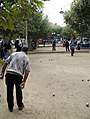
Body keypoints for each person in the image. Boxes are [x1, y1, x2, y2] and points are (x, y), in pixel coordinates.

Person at [1, 46, 30, 112]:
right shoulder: (26, 57)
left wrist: (2, 73)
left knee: (9, 91)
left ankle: (10, 107)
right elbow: (27, 71)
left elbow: (6, 63)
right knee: (18, 90)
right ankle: (20, 105)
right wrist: (24, 81)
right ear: (27, 51)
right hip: (18, 76)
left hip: (9, 74)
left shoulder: (13, 54)